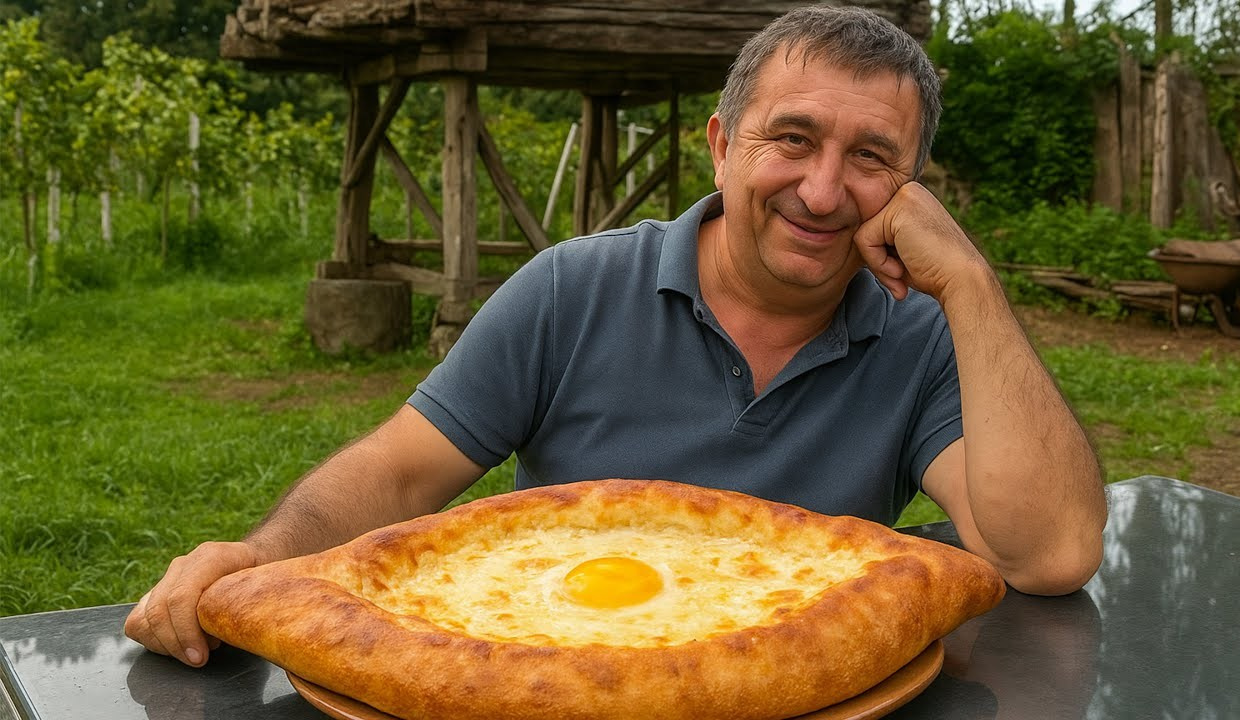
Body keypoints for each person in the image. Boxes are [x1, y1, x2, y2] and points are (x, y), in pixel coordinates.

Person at [125, 4, 1108, 668]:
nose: (820, 191)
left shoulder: (920, 333)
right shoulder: (572, 289)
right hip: (546, 681)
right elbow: (394, 474)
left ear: (910, 188)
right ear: (722, 145)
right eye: (792, 139)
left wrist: (969, 285)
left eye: (870, 159)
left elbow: (1050, 555)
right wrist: (261, 556)